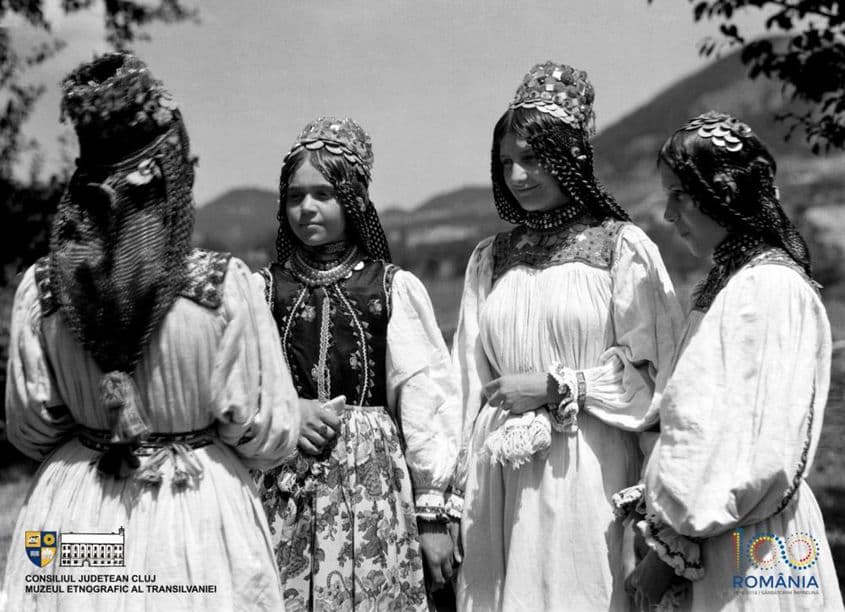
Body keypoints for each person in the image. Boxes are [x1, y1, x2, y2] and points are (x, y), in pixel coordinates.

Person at [0, 53, 299, 611]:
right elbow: (265, 431)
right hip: (194, 519)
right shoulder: (219, 286)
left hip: (76, 510)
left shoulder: (43, 290)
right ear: (170, 176)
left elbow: (31, 427)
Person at [451, 61, 684, 611]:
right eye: (506, 162)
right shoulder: (490, 258)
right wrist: (444, 495)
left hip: (586, 464)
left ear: (570, 158)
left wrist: (557, 385)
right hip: (496, 471)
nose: (517, 176)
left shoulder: (621, 248)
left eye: (533, 159)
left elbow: (657, 372)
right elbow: (464, 378)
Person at [622, 111, 844, 611]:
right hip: (727, 532)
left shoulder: (764, 289)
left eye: (680, 194)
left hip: (753, 544)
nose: (668, 214)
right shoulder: (734, 283)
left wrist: (671, 547)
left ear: (722, 192)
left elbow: (746, 448)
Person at [256, 116, 461, 610]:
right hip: (285, 480)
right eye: (294, 196)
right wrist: (287, 411)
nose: (306, 208)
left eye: (323, 194)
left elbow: (424, 402)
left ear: (352, 200)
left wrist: (431, 515)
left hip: (372, 486)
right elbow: (243, 388)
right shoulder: (262, 291)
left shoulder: (390, 289)